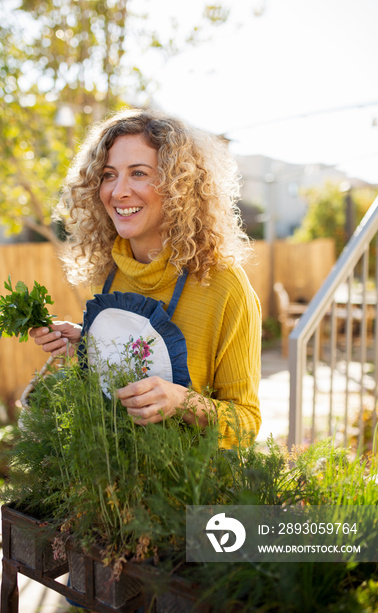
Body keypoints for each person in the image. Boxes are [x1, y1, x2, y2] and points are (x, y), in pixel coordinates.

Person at [30, 108, 261, 448]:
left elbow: (247, 423)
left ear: (179, 185)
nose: (119, 191)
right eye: (108, 175)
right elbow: (130, 367)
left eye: (138, 173)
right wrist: (86, 345)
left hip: (192, 491)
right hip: (114, 482)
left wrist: (183, 402)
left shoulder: (225, 285)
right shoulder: (111, 271)